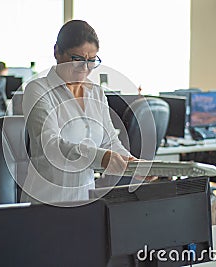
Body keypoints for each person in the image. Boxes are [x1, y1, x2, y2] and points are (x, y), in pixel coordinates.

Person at [21, 20, 144, 204]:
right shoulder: (38, 89)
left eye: (92, 61)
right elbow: (51, 146)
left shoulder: (96, 92)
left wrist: (133, 164)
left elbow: (109, 141)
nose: (85, 68)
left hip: (85, 201)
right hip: (46, 203)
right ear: (57, 52)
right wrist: (101, 158)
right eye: (77, 59)